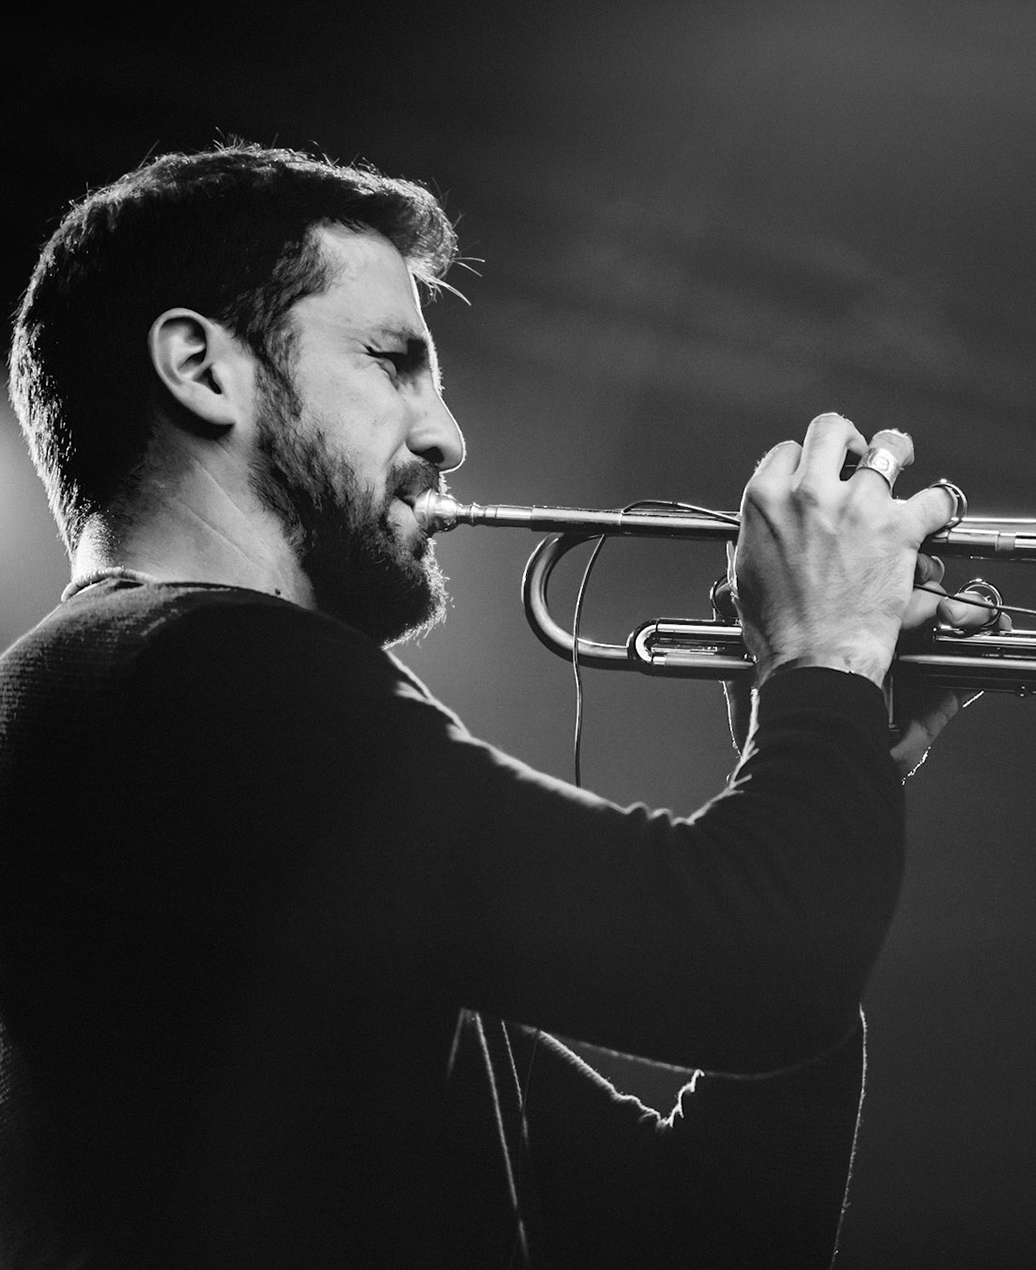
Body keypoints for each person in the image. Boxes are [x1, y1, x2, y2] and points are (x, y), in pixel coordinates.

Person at [0, 142, 984, 1267]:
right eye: (391, 358)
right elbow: (757, 974)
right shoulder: (202, 674)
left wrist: (830, 735)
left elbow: (708, 1224)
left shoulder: (142, 708)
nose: (447, 436)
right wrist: (822, 677)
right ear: (203, 368)